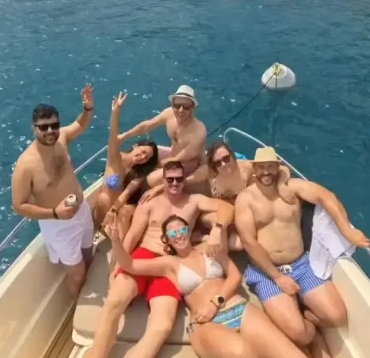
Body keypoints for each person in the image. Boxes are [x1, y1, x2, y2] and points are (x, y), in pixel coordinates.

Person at [105, 212, 331, 358]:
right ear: (167, 240)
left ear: (189, 230)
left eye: (182, 229)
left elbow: (234, 275)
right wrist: (116, 241)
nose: (179, 235)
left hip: (237, 308)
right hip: (205, 325)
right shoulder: (168, 264)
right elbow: (131, 265)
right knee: (241, 354)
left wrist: (217, 300)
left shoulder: (208, 251)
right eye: (173, 233)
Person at [75, 159, 233, 358]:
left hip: (170, 265)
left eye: (178, 179)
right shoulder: (151, 203)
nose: (174, 184)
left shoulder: (193, 202)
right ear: (163, 181)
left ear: (184, 179)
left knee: (161, 326)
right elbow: (133, 236)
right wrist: (117, 265)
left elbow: (225, 208)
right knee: (115, 302)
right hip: (143, 256)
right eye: (168, 179)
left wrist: (217, 228)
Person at [235, 147, 370, 358]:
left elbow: (325, 196)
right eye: (261, 167)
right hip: (267, 272)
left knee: (337, 317)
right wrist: (277, 276)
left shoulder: (292, 187)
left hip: (301, 263)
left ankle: (304, 311)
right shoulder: (246, 199)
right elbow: (249, 242)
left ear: (278, 166)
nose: (266, 172)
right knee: (298, 333)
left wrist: (347, 230)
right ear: (255, 169)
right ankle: (315, 338)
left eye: (270, 166)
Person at [11, 85, 95, 297]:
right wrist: (55, 213)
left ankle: (87, 296)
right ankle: (77, 307)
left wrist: (87, 107)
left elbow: (80, 125)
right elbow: (18, 205)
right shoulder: (25, 165)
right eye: (44, 127)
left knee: (88, 254)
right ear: (34, 128)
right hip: (58, 225)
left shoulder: (62, 138)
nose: (50, 131)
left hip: (81, 211)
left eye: (54, 125)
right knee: (76, 274)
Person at [141, 139, 296, 249]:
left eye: (226, 158)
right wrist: (159, 188)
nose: (223, 164)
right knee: (225, 234)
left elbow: (282, 169)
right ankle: (206, 242)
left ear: (232, 155)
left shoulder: (246, 168)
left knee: (239, 245)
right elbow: (182, 181)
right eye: (217, 162)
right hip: (216, 213)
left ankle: (199, 239)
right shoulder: (208, 172)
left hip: (239, 214)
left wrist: (281, 185)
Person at [94, 91, 159, 236]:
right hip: (104, 208)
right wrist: (115, 112)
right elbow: (113, 136)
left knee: (120, 207)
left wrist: (114, 210)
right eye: (142, 151)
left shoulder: (138, 172)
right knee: (103, 198)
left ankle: (118, 250)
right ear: (135, 146)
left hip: (119, 206)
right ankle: (100, 230)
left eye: (147, 157)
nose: (142, 157)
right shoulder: (116, 157)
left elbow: (127, 193)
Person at [117, 84, 206, 183]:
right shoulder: (169, 114)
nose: (181, 110)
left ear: (192, 107)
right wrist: (125, 135)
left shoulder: (199, 131)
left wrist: (157, 164)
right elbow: (147, 125)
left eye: (186, 106)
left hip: (191, 163)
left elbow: (178, 159)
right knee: (147, 154)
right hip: (173, 154)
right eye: (177, 105)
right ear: (172, 104)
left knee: (151, 180)